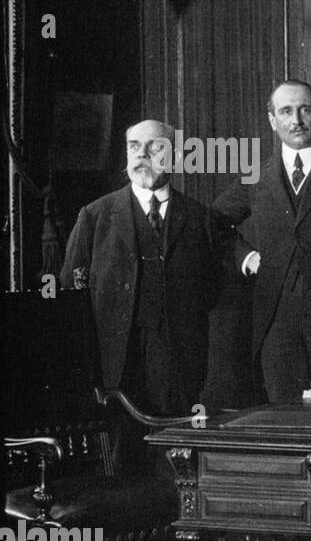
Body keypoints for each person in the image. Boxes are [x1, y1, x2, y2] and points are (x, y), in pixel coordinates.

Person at [212, 79, 311, 402]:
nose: (296, 120)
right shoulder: (256, 176)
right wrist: (247, 258)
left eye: (305, 110)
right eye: (286, 111)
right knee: (284, 418)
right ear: (272, 121)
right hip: (275, 321)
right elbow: (213, 223)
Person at [61, 119, 221, 416]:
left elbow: (211, 292)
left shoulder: (199, 218)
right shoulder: (95, 216)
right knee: (123, 458)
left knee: (174, 454)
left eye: (154, 146)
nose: (141, 154)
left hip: (179, 369)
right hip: (114, 372)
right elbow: (71, 293)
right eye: (134, 146)